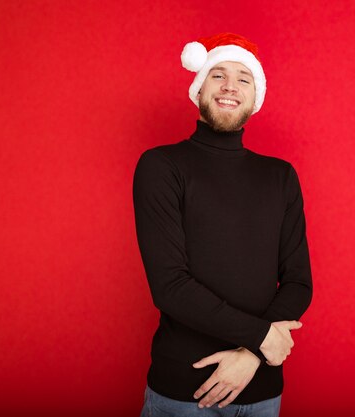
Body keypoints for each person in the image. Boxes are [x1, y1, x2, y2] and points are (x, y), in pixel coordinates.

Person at [133, 33, 313, 417]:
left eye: (244, 79)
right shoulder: (162, 167)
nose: (231, 86)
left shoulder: (280, 176)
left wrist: (250, 355)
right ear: (199, 88)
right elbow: (170, 286)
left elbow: (298, 282)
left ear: (255, 96)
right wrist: (263, 337)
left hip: (262, 390)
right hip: (184, 393)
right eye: (218, 75)